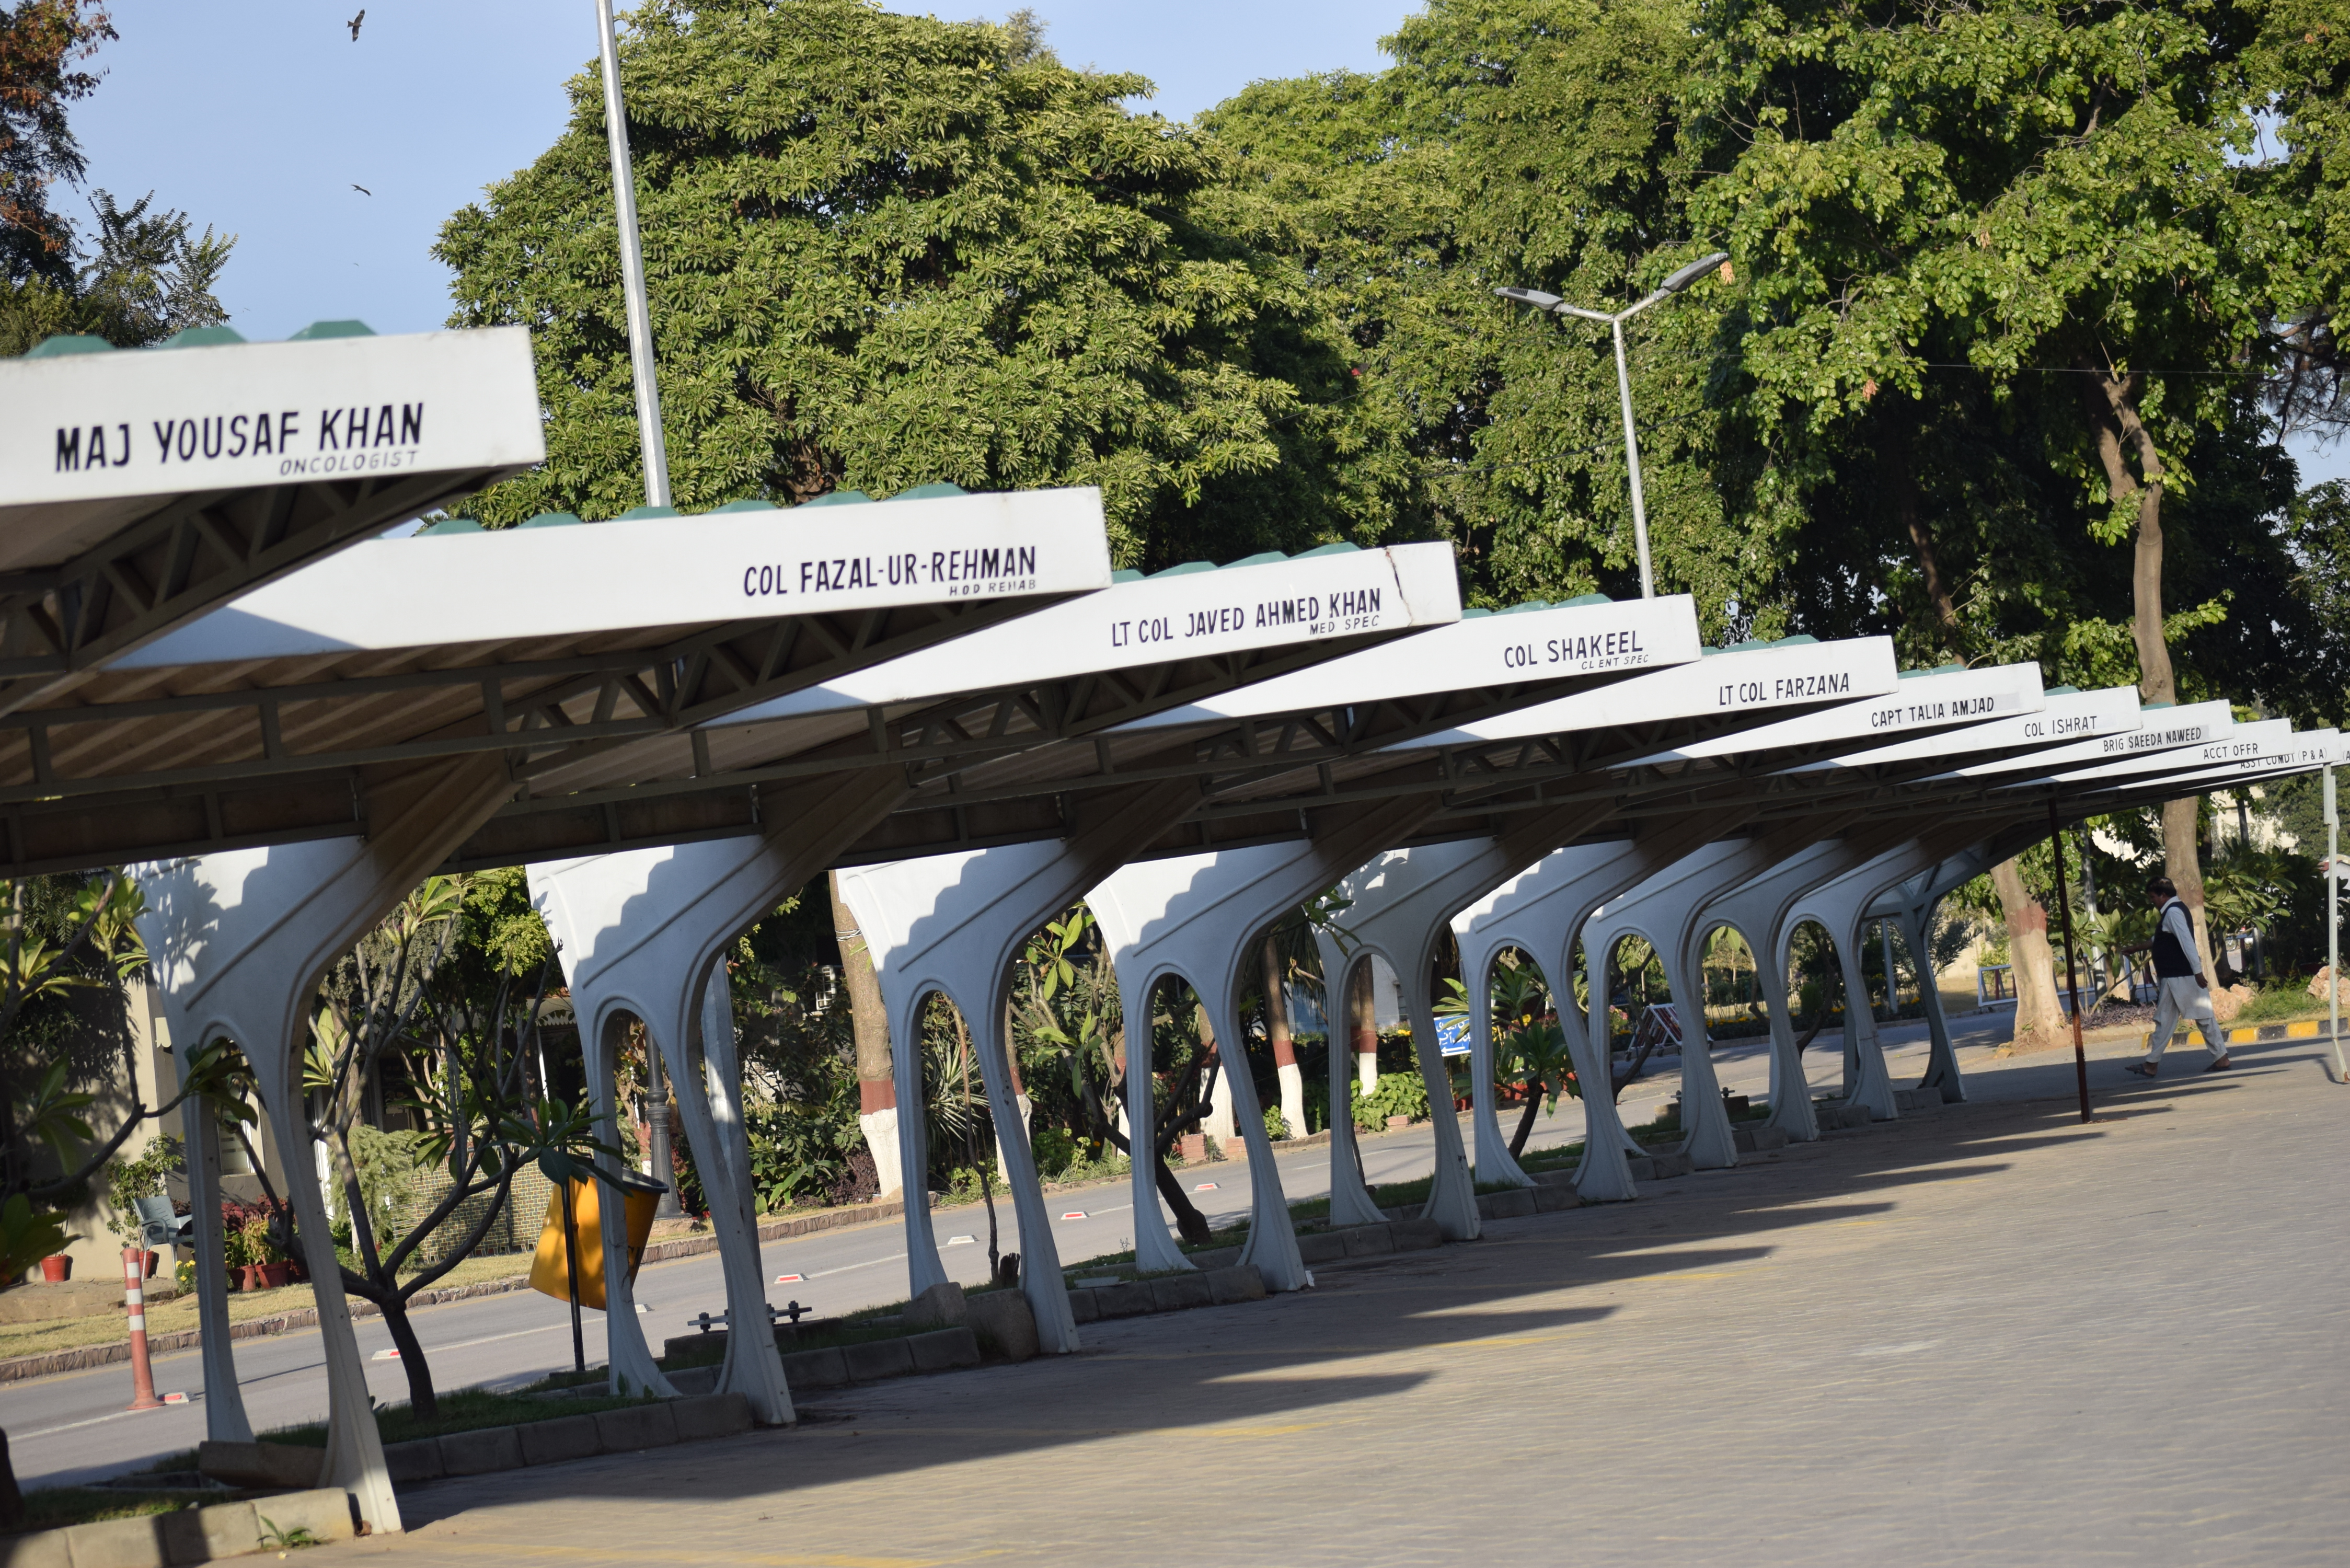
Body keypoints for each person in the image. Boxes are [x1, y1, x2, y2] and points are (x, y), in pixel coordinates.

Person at [2125, 877, 2229, 1077]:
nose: (2152, 901)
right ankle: (2153, 1063)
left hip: (2180, 976)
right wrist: (2137, 948)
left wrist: (2198, 972)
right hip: (2178, 976)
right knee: (2179, 1019)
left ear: (2164, 895)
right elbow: (2162, 939)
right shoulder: (2175, 911)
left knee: (2190, 1018)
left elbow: (2187, 942)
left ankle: (2153, 1064)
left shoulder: (2173, 913)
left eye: (2153, 897)